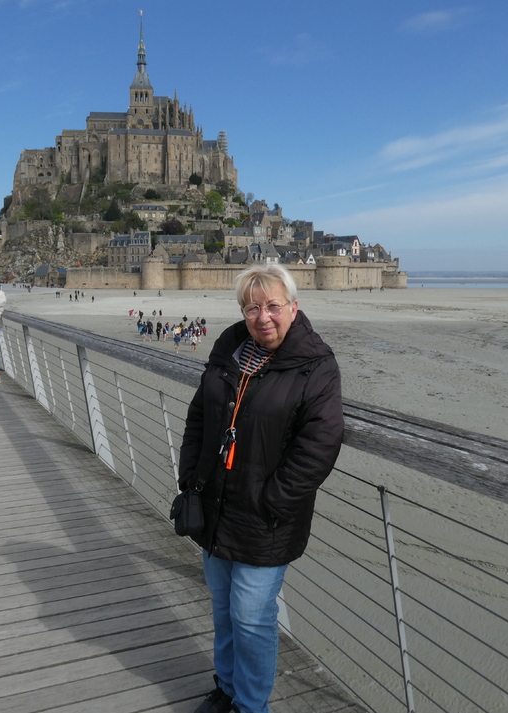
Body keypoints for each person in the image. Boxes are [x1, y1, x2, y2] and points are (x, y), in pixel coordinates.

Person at [178, 264, 344, 713]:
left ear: (294, 307)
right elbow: (200, 414)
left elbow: (322, 442)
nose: (262, 317)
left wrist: (273, 500)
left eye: (273, 306)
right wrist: (190, 475)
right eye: (252, 307)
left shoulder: (316, 364)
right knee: (223, 609)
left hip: (265, 516)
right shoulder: (229, 348)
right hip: (215, 505)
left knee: (251, 616)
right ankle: (227, 689)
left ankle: (250, 706)